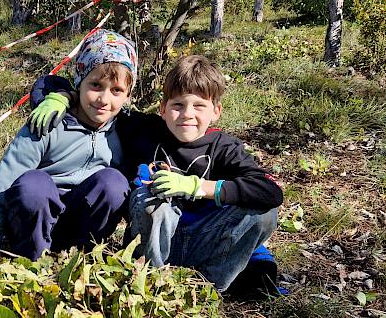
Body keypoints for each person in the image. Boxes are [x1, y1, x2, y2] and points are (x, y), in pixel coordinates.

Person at [28, 55, 283, 296]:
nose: (187, 115)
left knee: (263, 213)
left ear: (216, 111)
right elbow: (69, 87)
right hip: (151, 240)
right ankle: (150, 281)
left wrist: (197, 186)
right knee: (150, 196)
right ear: (162, 108)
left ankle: (206, 289)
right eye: (178, 105)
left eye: (199, 106)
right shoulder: (144, 129)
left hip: (202, 243)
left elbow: (270, 192)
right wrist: (61, 97)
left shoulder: (225, 148)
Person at [0, 30, 139, 272]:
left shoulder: (128, 131)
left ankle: (81, 260)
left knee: (113, 183)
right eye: (96, 85)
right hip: (32, 223)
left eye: (116, 90)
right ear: (79, 82)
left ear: (128, 94)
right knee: (34, 184)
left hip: (80, 228)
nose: (104, 99)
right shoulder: (47, 122)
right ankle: (33, 262)